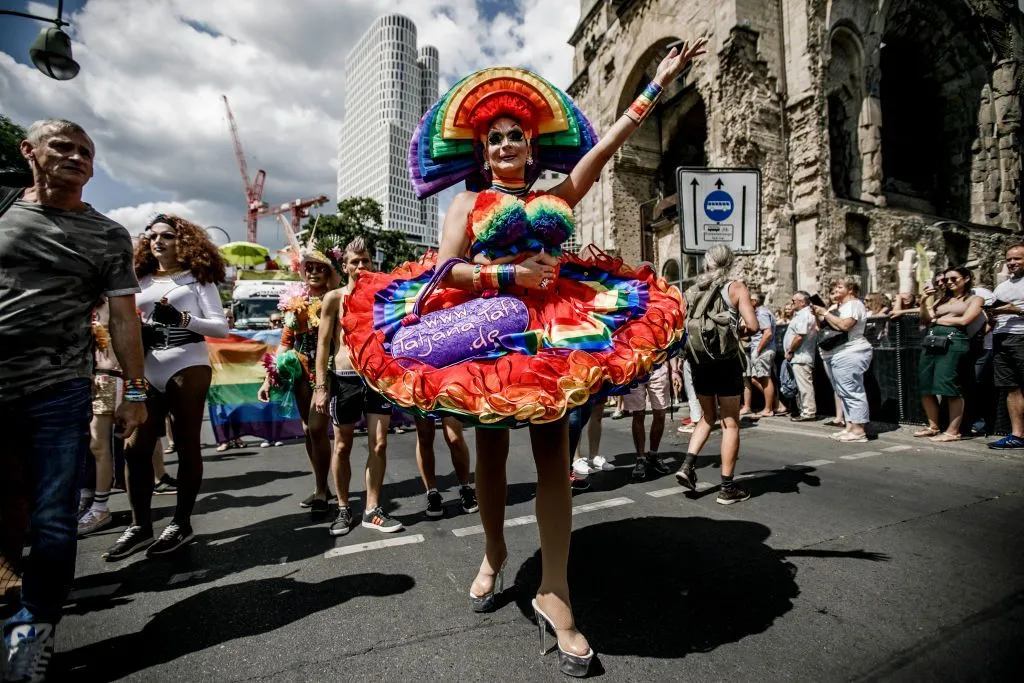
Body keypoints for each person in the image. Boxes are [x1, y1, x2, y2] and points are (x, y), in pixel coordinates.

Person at [340, 44, 702, 676]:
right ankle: (494, 549)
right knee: (491, 454)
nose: (506, 143)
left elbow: (612, 141)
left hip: (560, 328)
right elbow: (446, 270)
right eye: (495, 137)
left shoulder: (560, 191)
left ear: (532, 148)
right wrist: (507, 273)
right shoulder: (467, 204)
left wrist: (658, 82)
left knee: (553, 456)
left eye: (516, 135)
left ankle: (555, 592)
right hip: (492, 329)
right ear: (483, 151)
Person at [0, 119, 146, 681]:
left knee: (54, 518)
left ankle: (31, 632)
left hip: (57, 390)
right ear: (28, 152)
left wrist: (134, 391)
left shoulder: (108, 236)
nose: (77, 157)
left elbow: (125, 320)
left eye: (86, 151)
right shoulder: (4, 204)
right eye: (62, 146)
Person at [102, 214, 229, 561]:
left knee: (188, 445)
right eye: (152, 235)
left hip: (187, 363)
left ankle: (181, 522)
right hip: (144, 368)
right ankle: (141, 526)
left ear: (183, 241)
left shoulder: (198, 280)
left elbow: (220, 328)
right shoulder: (138, 278)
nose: (158, 241)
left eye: (168, 235)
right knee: (135, 449)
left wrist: (184, 320)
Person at [313, 238, 403, 535]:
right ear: (345, 265)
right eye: (355, 262)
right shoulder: (334, 298)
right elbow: (323, 345)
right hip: (345, 377)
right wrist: (320, 386)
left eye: (365, 260)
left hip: (377, 376)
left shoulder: (384, 293)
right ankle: (342, 508)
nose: (361, 266)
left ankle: (372, 509)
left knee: (379, 443)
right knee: (342, 445)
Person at [675, 245, 759, 504]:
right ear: (729, 263)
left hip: (699, 362)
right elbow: (753, 326)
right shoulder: (735, 288)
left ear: (706, 263)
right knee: (730, 422)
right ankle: (727, 488)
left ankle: (687, 466)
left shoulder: (691, 290)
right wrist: (736, 331)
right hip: (726, 362)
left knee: (706, 417)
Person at [258, 248, 338, 516]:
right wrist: (268, 379)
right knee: (307, 430)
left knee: (317, 429)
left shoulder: (337, 297)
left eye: (320, 267)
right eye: (310, 268)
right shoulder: (295, 300)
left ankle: (325, 490)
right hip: (301, 370)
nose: (314, 272)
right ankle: (321, 487)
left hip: (328, 370)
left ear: (329, 271)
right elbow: (285, 342)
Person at [914, 267, 984, 442]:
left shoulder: (975, 299)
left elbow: (964, 320)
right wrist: (923, 302)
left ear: (966, 278)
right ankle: (933, 426)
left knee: (948, 384)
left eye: (954, 278)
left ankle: (953, 431)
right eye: (946, 280)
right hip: (932, 341)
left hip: (954, 342)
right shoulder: (941, 300)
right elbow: (925, 319)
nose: (949, 282)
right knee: (925, 385)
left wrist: (937, 320)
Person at [812, 276, 873, 443]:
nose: (835, 290)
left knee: (852, 391)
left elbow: (845, 325)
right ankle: (849, 427)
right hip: (835, 353)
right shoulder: (835, 306)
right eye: (834, 287)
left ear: (851, 289)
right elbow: (822, 327)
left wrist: (825, 313)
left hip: (850, 351)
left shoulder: (855, 305)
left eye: (839, 287)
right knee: (843, 392)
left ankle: (859, 430)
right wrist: (818, 315)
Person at [78, 301, 119, 536]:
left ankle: (101, 507)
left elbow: (129, 340)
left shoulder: (113, 305)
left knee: (100, 445)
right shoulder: (80, 302)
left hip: (109, 377)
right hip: (84, 380)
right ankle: (88, 498)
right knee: (87, 445)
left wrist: (134, 387)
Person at [988, 243, 1024, 449]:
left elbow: (1016, 310)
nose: (1012, 263)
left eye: (1017, 259)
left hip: (1022, 337)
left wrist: (1016, 311)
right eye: (1009, 259)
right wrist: (992, 313)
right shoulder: (1001, 287)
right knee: (1011, 387)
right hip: (1001, 337)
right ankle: (1017, 435)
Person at [415, 416, 478, 518]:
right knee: (424, 436)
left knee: (454, 438)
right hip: (423, 399)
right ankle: (432, 492)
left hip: (447, 399)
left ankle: (465, 487)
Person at [626, 364, 674, 480]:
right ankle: (640, 458)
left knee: (660, 413)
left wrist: (675, 370)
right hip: (634, 368)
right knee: (638, 414)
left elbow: (672, 347)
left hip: (658, 366)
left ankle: (653, 454)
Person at [784, 291, 819, 422]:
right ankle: (804, 410)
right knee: (802, 385)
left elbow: (800, 336)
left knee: (805, 385)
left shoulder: (804, 315)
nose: (792, 303)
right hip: (799, 356)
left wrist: (790, 350)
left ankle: (808, 412)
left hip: (801, 356)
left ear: (802, 302)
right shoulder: (801, 315)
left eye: (794, 301)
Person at [745, 290, 778, 419]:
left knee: (764, 378)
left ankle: (768, 409)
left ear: (754, 302)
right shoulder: (762, 312)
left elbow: (767, 333)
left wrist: (758, 349)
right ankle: (776, 404)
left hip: (763, 350)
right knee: (755, 378)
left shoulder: (762, 313)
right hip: (763, 349)